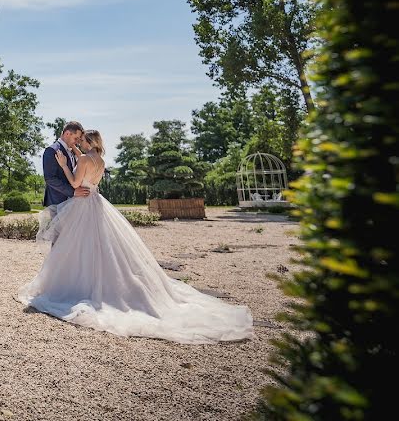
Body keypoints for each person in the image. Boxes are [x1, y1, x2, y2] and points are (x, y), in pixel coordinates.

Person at [18, 129, 254, 344]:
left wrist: (65, 165)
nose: (77, 143)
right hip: (97, 204)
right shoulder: (100, 160)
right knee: (102, 246)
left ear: (87, 142)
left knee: (79, 246)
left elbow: (75, 182)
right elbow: (88, 168)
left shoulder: (81, 159)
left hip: (82, 203)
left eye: (81, 140)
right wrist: (77, 154)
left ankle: (77, 283)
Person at [37, 121, 90, 245]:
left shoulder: (71, 151)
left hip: (72, 202)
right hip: (58, 201)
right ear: (67, 133)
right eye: (76, 138)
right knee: (59, 238)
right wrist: (73, 192)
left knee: (70, 239)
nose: (77, 141)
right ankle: (56, 264)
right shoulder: (51, 151)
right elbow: (50, 179)